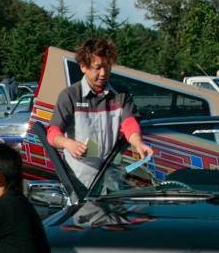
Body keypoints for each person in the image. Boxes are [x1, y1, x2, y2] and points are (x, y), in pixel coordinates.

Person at [47, 38, 153, 190]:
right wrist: (68, 143)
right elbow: (52, 133)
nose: (103, 73)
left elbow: (129, 123)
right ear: (83, 67)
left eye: (107, 67)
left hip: (111, 181)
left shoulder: (121, 95)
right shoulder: (70, 95)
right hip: (78, 182)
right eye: (97, 68)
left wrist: (138, 143)